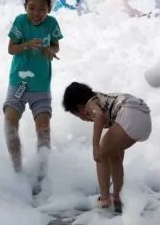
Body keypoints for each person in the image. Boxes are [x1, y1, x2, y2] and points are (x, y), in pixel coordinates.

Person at [4, 0, 62, 193]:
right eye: (32, 8)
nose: (36, 13)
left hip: (40, 85)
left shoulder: (51, 24)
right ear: (25, 7)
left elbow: (56, 45)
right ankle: (17, 170)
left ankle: (42, 174)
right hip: (18, 83)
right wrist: (27, 45)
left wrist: (50, 50)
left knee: (43, 129)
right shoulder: (21, 21)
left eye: (41, 9)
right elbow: (11, 49)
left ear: (49, 9)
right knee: (10, 123)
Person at [62, 82, 151, 213]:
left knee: (102, 153)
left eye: (77, 115)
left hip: (130, 114)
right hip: (144, 119)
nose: (82, 118)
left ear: (79, 107)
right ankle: (117, 196)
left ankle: (104, 199)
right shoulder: (102, 99)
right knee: (114, 156)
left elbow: (99, 116)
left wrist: (95, 146)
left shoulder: (90, 104)